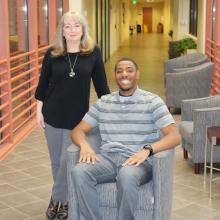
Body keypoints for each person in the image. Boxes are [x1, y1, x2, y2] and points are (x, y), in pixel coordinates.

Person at [71, 57, 180, 220]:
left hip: (137, 161)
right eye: (119, 71)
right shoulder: (104, 102)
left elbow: (174, 136)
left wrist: (148, 150)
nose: (124, 74)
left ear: (137, 74)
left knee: (127, 176)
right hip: (107, 158)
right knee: (79, 171)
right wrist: (84, 145)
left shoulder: (152, 101)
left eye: (129, 70)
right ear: (115, 75)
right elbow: (78, 130)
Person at [35, 11, 110, 220]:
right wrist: (38, 112)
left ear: (83, 29)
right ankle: (65, 200)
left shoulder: (93, 53)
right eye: (67, 27)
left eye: (76, 26)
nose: (72, 30)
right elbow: (43, 85)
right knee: (56, 162)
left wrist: (110, 110)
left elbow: (102, 87)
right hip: (52, 114)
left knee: (67, 159)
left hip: (78, 117)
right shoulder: (52, 53)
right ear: (62, 32)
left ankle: (58, 199)